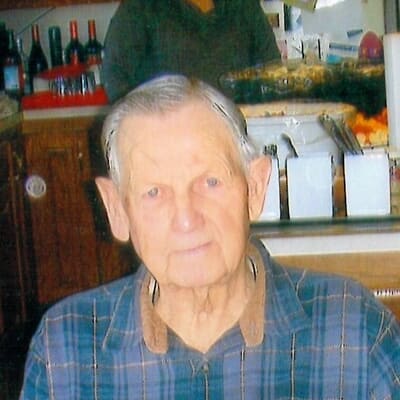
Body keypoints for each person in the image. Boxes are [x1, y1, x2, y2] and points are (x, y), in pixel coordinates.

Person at [20, 74, 400, 399]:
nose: (186, 219)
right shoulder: (65, 353)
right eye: (154, 192)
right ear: (117, 209)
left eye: (210, 182)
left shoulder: (354, 330)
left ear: (255, 187)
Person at [101, 0, 281, 103]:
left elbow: (272, 68)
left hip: (236, 133)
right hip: (170, 140)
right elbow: (116, 76)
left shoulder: (243, 5)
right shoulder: (142, 7)